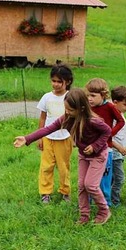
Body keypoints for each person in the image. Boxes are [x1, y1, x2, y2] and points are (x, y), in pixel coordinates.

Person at [14, 88, 112, 224]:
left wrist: (95, 146)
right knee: (81, 186)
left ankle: (104, 211)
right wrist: (27, 138)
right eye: (66, 109)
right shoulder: (67, 118)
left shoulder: (93, 121)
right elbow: (47, 129)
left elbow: (107, 132)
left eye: (71, 110)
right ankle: (84, 215)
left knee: (90, 185)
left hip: (98, 155)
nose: (67, 112)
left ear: (82, 108)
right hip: (83, 156)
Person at [35, 64, 74, 204]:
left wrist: (74, 137)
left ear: (68, 82)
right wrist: (40, 136)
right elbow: (43, 118)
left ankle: (65, 192)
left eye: (59, 81)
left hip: (65, 138)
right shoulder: (46, 97)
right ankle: (45, 193)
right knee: (46, 166)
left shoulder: (70, 97)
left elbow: (76, 119)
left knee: (63, 167)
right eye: (53, 81)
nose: (56, 84)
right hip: (48, 138)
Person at [84, 78, 125, 206]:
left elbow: (121, 121)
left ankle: (106, 202)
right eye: (88, 95)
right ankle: (89, 201)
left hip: (106, 149)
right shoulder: (87, 107)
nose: (89, 99)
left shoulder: (109, 107)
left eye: (93, 96)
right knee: (89, 177)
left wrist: (110, 134)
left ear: (103, 95)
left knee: (105, 177)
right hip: (90, 148)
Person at [109, 85, 126, 206]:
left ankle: (107, 197)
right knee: (119, 179)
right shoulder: (112, 118)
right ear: (115, 102)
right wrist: (119, 147)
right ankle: (114, 201)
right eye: (125, 104)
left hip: (118, 154)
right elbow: (108, 137)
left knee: (112, 178)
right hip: (114, 154)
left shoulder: (120, 114)